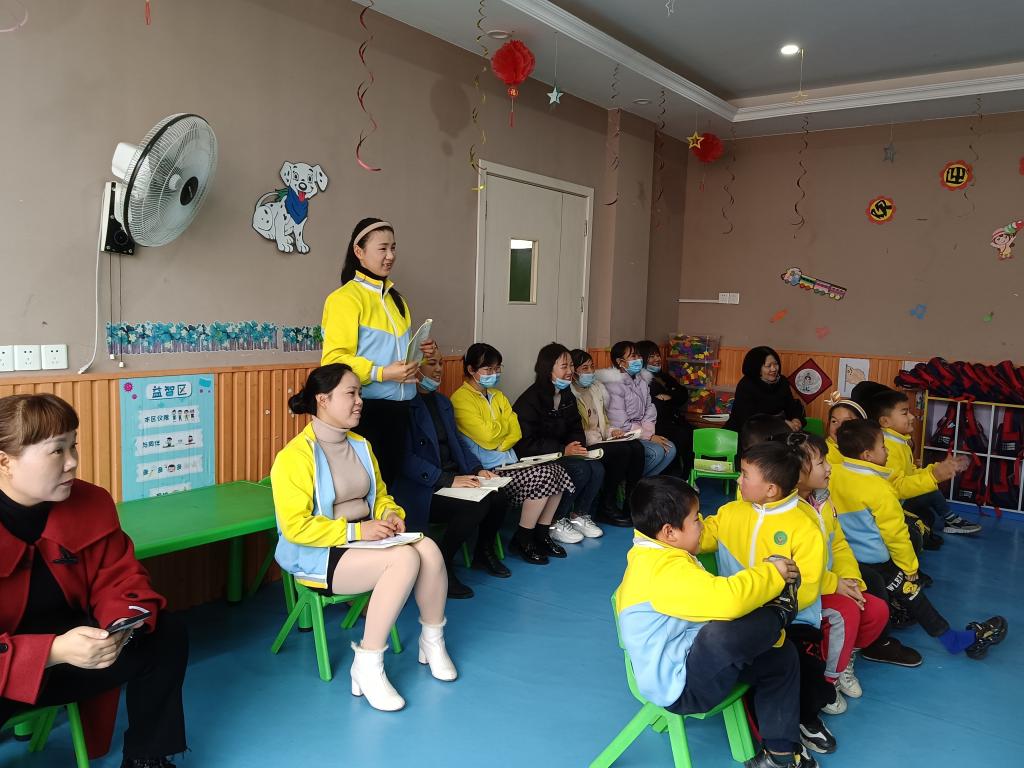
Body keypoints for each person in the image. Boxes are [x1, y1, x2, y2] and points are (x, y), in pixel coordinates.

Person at [0, 394, 187, 767]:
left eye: (73, 446)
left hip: (79, 655)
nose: (72, 461)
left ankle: (147, 757)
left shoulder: (91, 501)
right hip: (11, 673)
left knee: (165, 633)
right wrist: (52, 651)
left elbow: (120, 576)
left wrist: (120, 624)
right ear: (5, 460)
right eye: (57, 451)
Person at [271, 364, 456, 712]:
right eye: (351, 393)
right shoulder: (293, 457)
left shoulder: (360, 445)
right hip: (321, 554)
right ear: (322, 399)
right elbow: (295, 527)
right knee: (404, 559)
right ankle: (367, 664)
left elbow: (380, 495)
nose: (360, 401)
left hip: (366, 541)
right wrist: (357, 531)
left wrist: (389, 513)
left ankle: (432, 641)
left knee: (429, 549)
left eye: (360, 393)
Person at [616, 476, 815, 768]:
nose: (702, 524)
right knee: (721, 635)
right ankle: (779, 614)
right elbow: (728, 601)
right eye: (696, 519)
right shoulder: (659, 569)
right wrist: (773, 574)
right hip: (681, 686)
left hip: (693, 661)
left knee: (780, 657)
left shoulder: (662, 552)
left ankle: (780, 755)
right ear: (669, 532)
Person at [700, 441, 836, 756]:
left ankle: (805, 717)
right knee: (755, 661)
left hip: (791, 617)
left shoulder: (804, 525)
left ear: (771, 489)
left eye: (745, 475)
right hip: (739, 614)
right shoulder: (730, 512)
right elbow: (701, 537)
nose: (738, 479)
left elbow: (808, 586)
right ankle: (776, 737)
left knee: (799, 660)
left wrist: (770, 611)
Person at [829, 419, 1007, 659]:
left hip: (846, 559)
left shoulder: (834, 474)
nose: (887, 451)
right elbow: (896, 534)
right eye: (883, 446)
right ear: (868, 455)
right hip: (874, 561)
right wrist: (910, 567)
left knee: (897, 597)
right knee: (912, 593)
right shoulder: (878, 488)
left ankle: (945, 638)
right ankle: (945, 641)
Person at [320, 217, 437, 486]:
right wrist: (382, 373)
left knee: (388, 489)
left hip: (402, 410)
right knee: (365, 490)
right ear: (359, 252)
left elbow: (399, 360)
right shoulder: (344, 299)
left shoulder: (398, 301)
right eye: (382, 248)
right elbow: (333, 361)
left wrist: (421, 354)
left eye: (393, 248)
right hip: (365, 411)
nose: (390, 256)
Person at [392, 353, 510, 600]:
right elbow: (404, 458)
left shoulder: (442, 402)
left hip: (453, 478)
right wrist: (446, 479)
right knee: (474, 506)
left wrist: (477, 469)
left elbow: (458, 443)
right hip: (423, 487)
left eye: (441, 363)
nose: (439, 370)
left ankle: (483, 551)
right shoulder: (401, 406)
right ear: (414, 367)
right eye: (431, 364)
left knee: (499, 494)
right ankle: (441, 564)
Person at [794, 433, 893, 715]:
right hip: (805, 591)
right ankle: (828, 682)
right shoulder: (786, 510)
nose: (829, 468)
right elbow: (797, 569)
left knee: (876, 610)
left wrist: (850, 579)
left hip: (826, 583)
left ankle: (843, 659)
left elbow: (838, 544)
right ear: (797, 471)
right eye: (821, 462)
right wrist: (834, 583)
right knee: (847, 611)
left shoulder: (823, 500)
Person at [451, 343, 574, 566]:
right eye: (488, 369)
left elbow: (516, 431)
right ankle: (523, 538)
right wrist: (501, 434)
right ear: (471, 369)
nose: (494, 373)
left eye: (497, 368)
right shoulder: (460, 399)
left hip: (511, 462)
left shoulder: (498, 396)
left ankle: (541, 533)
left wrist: (500, 440)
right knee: (543, 476)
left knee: (558, 470)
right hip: (488, 470)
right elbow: (487, 436)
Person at [513, 343, 605, 546]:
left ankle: (579, 515)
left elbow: (575, 426)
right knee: (580, 470)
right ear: (548, 369)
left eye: (571, 366)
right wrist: (562, 450)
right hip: (538, 457)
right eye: (564, 366)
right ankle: (555, 521)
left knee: (596, 468)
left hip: (562, 452)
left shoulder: (566, 394)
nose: (570, 371)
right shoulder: (531, 399)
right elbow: (525, 443)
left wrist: (577, 446)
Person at [864, 387, 979, 536]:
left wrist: (937, 469)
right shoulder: (888, 447)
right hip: (892, 504)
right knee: (930, 493)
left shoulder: (899, 442)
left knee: (928, 511)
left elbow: (910, 473)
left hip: (900, 500)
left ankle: (947, 520)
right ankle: (950, 520)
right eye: (905, 413)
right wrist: (933, 476)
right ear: (885, 421)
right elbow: (896, 488)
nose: (912, 417)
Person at [569, 348, 641, 527]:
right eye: (585, 368)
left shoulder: (596, 389)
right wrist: (602, 438)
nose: (590, 372)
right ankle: (606, 506)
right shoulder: (570, 394)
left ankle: (631, 503)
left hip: (601, 439)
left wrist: (613, 432)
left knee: (637, 447)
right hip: (584, 443)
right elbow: (577, 430)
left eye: (592, 367)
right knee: (621, 451)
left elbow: (605, 421)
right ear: (574, 372)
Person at [598, 340, 678, 477]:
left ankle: (641, 483)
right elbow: (621, 424)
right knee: (657, 452)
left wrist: (649, 433)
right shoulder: (613, 385)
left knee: (670, 449)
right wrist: (649, 436)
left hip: (641, 432)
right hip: (623, 434)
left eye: (639, 356)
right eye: (633, 356)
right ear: (620, 362)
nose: (639, 359)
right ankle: (632, 482)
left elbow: (649, 408)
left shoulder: (641, 380)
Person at [636, 340, 695, 478]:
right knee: (681, 435)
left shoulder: (662, 376)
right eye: (651, 356)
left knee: (690, 432)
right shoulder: (641, 380)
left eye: (657, 355)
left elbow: (682, 394)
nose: (657, 359)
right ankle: (676, 477)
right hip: (655, 426)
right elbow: (657, 406)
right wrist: (669, 397)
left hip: (672, 421)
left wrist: (668, 396)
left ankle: (687, 477)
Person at [725, 347, 805, 436]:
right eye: (768, 366)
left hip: (775, 434)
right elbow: (749, 419)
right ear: (757, 368)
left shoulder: (782, 382)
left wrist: (796, 419)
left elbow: (791, 407)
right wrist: (781, 423)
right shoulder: (746, 385)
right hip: (745, 434)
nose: (774, 369)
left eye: (776, 364)